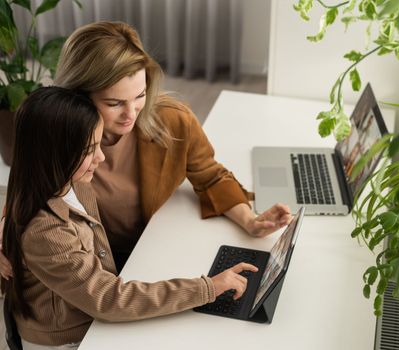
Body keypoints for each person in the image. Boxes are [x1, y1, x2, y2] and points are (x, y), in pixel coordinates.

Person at [0, 21, 290, 277]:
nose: (131, 113)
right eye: (114, 103)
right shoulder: (55, 136)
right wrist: (7, 227)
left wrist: (250, 221)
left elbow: (210, 176)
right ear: (77, 96)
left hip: (151, 250)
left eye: (139, 96)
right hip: (93, 270)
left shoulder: (174, 120)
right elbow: (27, 190)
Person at [1, 87, 260, 349]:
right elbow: (108, 299)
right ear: (55, 155)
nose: (101, 158)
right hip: (69, 339)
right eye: (89, 150)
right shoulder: (47, 232)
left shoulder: (71, 183)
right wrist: (206, 289)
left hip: (92, 314)